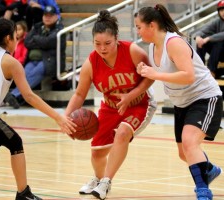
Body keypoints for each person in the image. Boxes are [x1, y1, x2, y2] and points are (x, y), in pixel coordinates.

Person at [0, 1, 76, 200]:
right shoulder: (10, 62)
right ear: (8, 38)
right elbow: (29, 96)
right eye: (16, 37)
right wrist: (58, 118)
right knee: (15, 142)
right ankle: (23, 194)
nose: (17, 41)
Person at [64, 10, 157, 200]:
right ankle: (98, 180)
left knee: (122, 133)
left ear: (116, 38)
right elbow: (80, 94)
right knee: (97, 153)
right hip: (110, 107)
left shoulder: (132, 51)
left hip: (139, 104)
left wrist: (131, 95)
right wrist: (65, 118)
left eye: (107, 43)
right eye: (97, 44)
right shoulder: (91, 63)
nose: (102, 48)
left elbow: (150, 77)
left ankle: (106, 181)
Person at [135, 4, 223, 200]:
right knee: (185, 154)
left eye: (139, 27)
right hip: (182, 102)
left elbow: (189, 76)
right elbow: (165, 70)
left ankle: (203, 191)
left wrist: (155, 74)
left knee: (190, 144)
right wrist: (144, 69)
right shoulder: (152, 46)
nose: (137, 31)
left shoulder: (173, 43)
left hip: (204, 97)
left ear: (151, 26)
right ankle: (209, 170)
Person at [5, 5, 66, 109]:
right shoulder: (37, 26)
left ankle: (14, 95)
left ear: (56, 17)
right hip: (33, 60)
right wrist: (43, 42)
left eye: (50, 15)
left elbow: (49, 42)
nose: (47, 17)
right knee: (24, 73)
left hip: (49, 61)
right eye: (45, 15)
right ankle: (18, 97)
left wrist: (37, 40)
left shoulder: (60, 30)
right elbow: (28, 42)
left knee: (35, 73)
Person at [194, 0, 224, 78]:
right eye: (221, 10)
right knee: (201, 42)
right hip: (218, 53)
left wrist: (208, 38)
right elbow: (204, 30)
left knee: (219, 41)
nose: (223, 12)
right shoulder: (217, 22)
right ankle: (200, 69)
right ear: (218, 12)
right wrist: (198, 37)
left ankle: (211, 71)